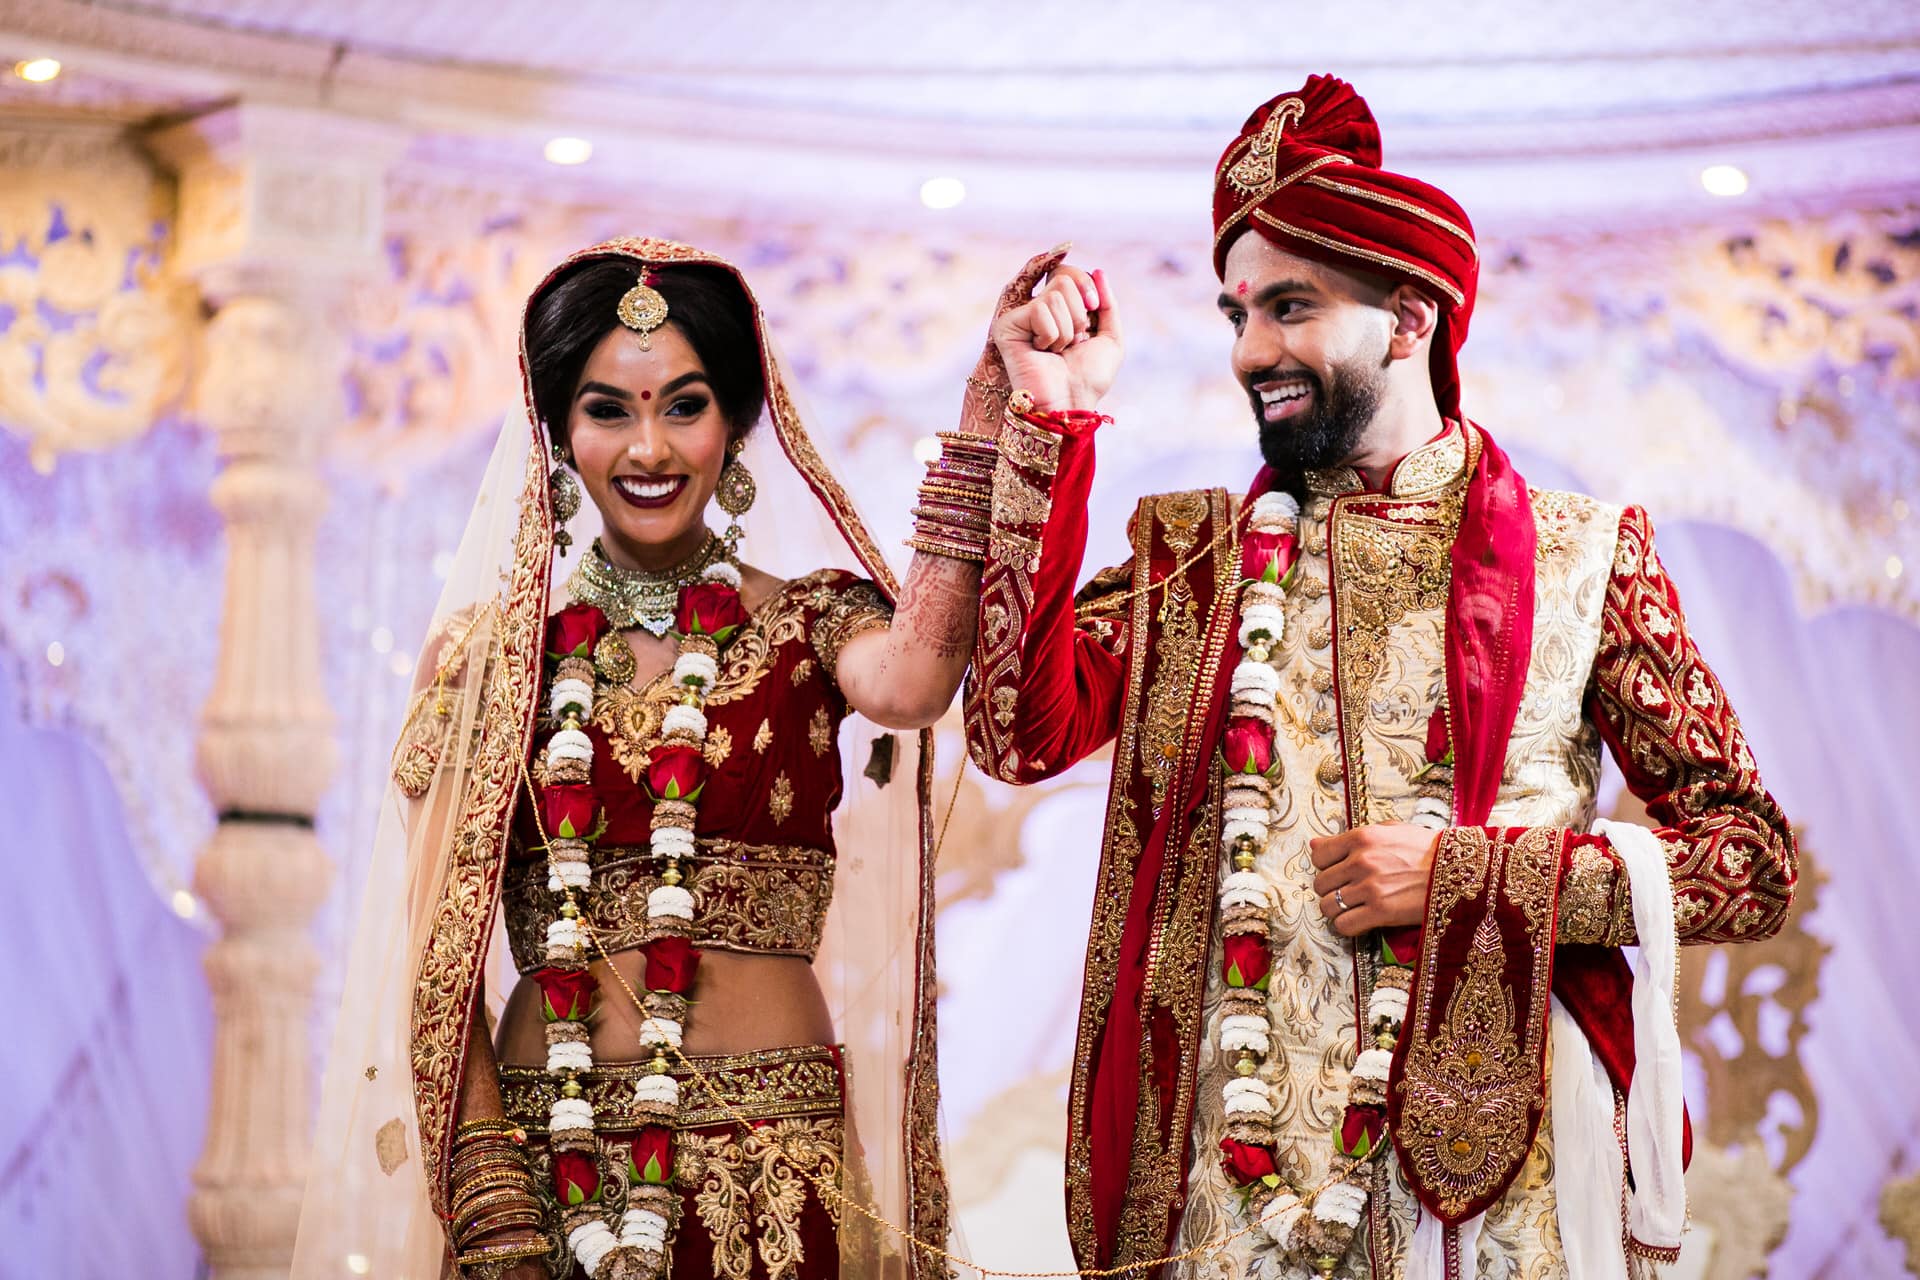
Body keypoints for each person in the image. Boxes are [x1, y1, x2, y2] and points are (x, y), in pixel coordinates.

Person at [962, 76, 1796, 1278]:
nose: (1253, 351)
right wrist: (1052, 427)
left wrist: (1470, 876)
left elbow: (1747, 858)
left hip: (1502, 1177)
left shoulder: (1583, 553)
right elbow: (1013, 730)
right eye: (1238, 312)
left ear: (1411, 319)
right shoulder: (1194, 563)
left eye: (1290, 307)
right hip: (1225, 1190)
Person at [294, 238, 989, 1280]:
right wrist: (487, 1191)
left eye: (684, 404)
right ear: (561, 432)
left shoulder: (811, 620)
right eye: (608, 408)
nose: (648, 447)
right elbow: (437, 956)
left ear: (739, 424)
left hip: (771, 1159)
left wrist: (988, 429)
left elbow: (918, 678)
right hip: (543, 1164)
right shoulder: (493, 656)